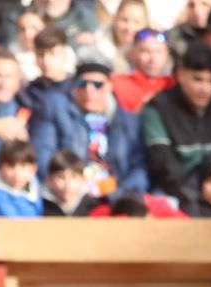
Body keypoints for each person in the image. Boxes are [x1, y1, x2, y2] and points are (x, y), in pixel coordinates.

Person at [141, 40, 211, 201]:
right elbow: (161, 162)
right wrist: (191, 196)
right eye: (198, 79)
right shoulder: (158, 107)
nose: (204, 89)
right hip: (175, 192)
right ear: (181, 75)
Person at [29, 59, 149, 196]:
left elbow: (140, 167)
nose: (89, 90)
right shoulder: (54, 108)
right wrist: (68, 188)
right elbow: (42, 155)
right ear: (74, 86)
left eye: (98, 85)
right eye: (82, 83)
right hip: (69, 194)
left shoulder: (128, 120)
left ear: (110, 86)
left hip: (118, 193)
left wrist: (119, 195)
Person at [111, 26, 174, 112]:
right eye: (146, 51)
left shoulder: (174, 84)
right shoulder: (117, 82)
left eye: (159, 52)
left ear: (167, 54)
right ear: (133, 53)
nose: (153, 59)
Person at [0, 137, 44, 215]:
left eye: (23, 166)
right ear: (0, 168)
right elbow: (12, 220)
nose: (17, 173)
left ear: (33, 169)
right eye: (10, 166)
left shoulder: (34, 188)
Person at [42, 147, 102, 215]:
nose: (67, 184)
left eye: (74, 177)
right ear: (49, 180)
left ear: (83, 179)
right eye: (61, 177)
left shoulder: (94, 207)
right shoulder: (40, 207)